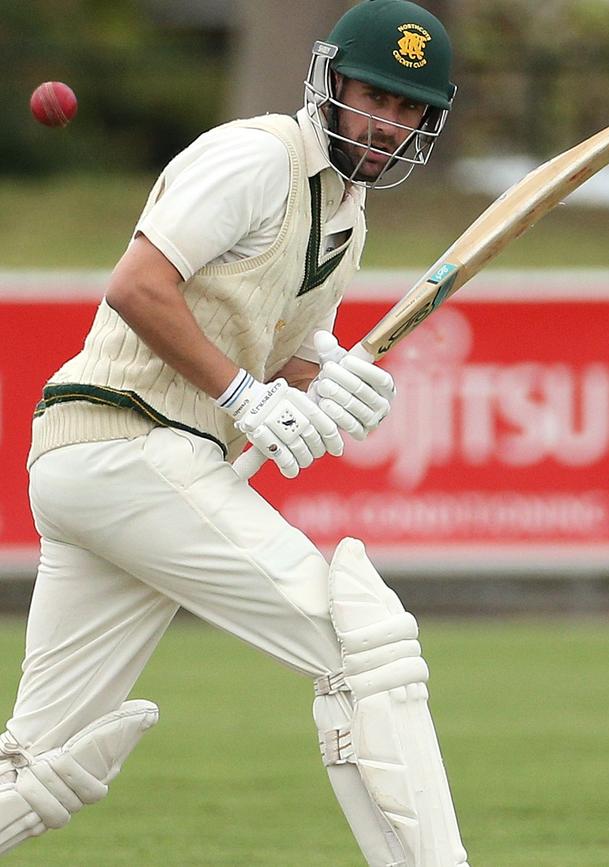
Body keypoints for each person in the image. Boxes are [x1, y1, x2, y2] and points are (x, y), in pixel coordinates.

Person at [0, 1, 469, 864]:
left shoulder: (347, 218)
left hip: (113, 469)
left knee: (32, 770)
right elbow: (138, 286)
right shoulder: (258, 156)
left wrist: (319, 376)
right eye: (374, 96)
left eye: (409, 110)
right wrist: (246, 395)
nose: (386, 123)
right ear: (330, 82)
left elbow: (259, 340)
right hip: (127, 440)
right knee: (366, 648)